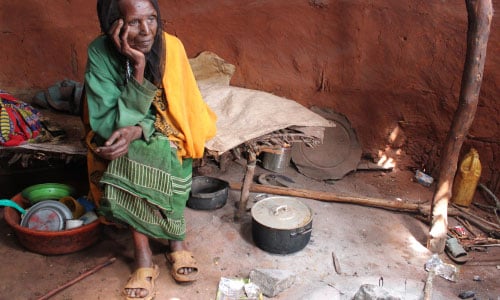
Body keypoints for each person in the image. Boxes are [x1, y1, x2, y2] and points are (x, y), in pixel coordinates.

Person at [84, 0, 217, 299]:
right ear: (112, 23)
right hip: (119, 123)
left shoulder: (172, 47)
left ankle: (176, 241)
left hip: (166, 125)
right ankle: (142, 254)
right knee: (124, 150)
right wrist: (139, 69)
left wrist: (141, 129)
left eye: (152, 19)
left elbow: (179, 111)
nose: (146, 31)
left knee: (167, 147)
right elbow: (107, 121)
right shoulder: (99, 52)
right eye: (133, 22)